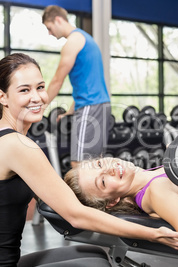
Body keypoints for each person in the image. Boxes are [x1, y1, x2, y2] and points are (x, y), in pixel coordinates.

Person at [0, 53, 178, 267]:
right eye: (24, 90)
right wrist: (153, 234)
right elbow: (75, 215)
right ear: (2, 97)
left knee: (93, 252)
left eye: (40, 87)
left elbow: (57, 199)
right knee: (95, 264)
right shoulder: (18, 145)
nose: (37, 97)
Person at [42, 5, 111, 167]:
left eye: (49, 28)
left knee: (78, 164)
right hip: (101, 105)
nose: (49, 33)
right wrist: (70, 112)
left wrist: (40, 107)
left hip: (90, 107)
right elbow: (86, 84)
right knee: (94, 163)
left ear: (58, 20)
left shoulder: (72, 42)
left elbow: (57, 80)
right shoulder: (86, 38)